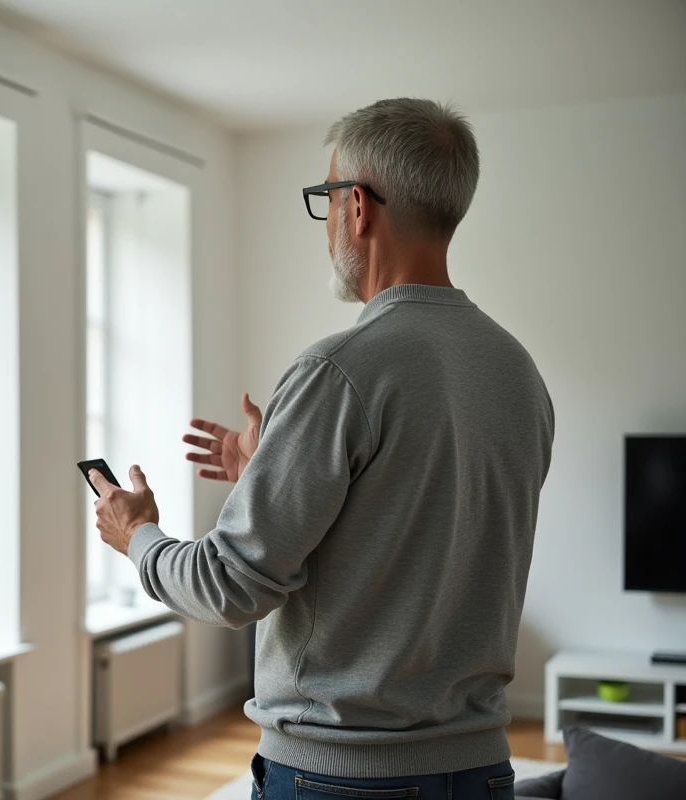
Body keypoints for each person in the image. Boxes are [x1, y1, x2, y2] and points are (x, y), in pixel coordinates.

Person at [89, 98, 555, 800]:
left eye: (326, 198)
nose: (328, 223)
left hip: (339, 778)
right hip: (480, 773)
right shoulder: (517, 372)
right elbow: (413, 527)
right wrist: (270, 476)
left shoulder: (339, 370)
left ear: (357, 207)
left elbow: (228, 586)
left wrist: (138, 537)